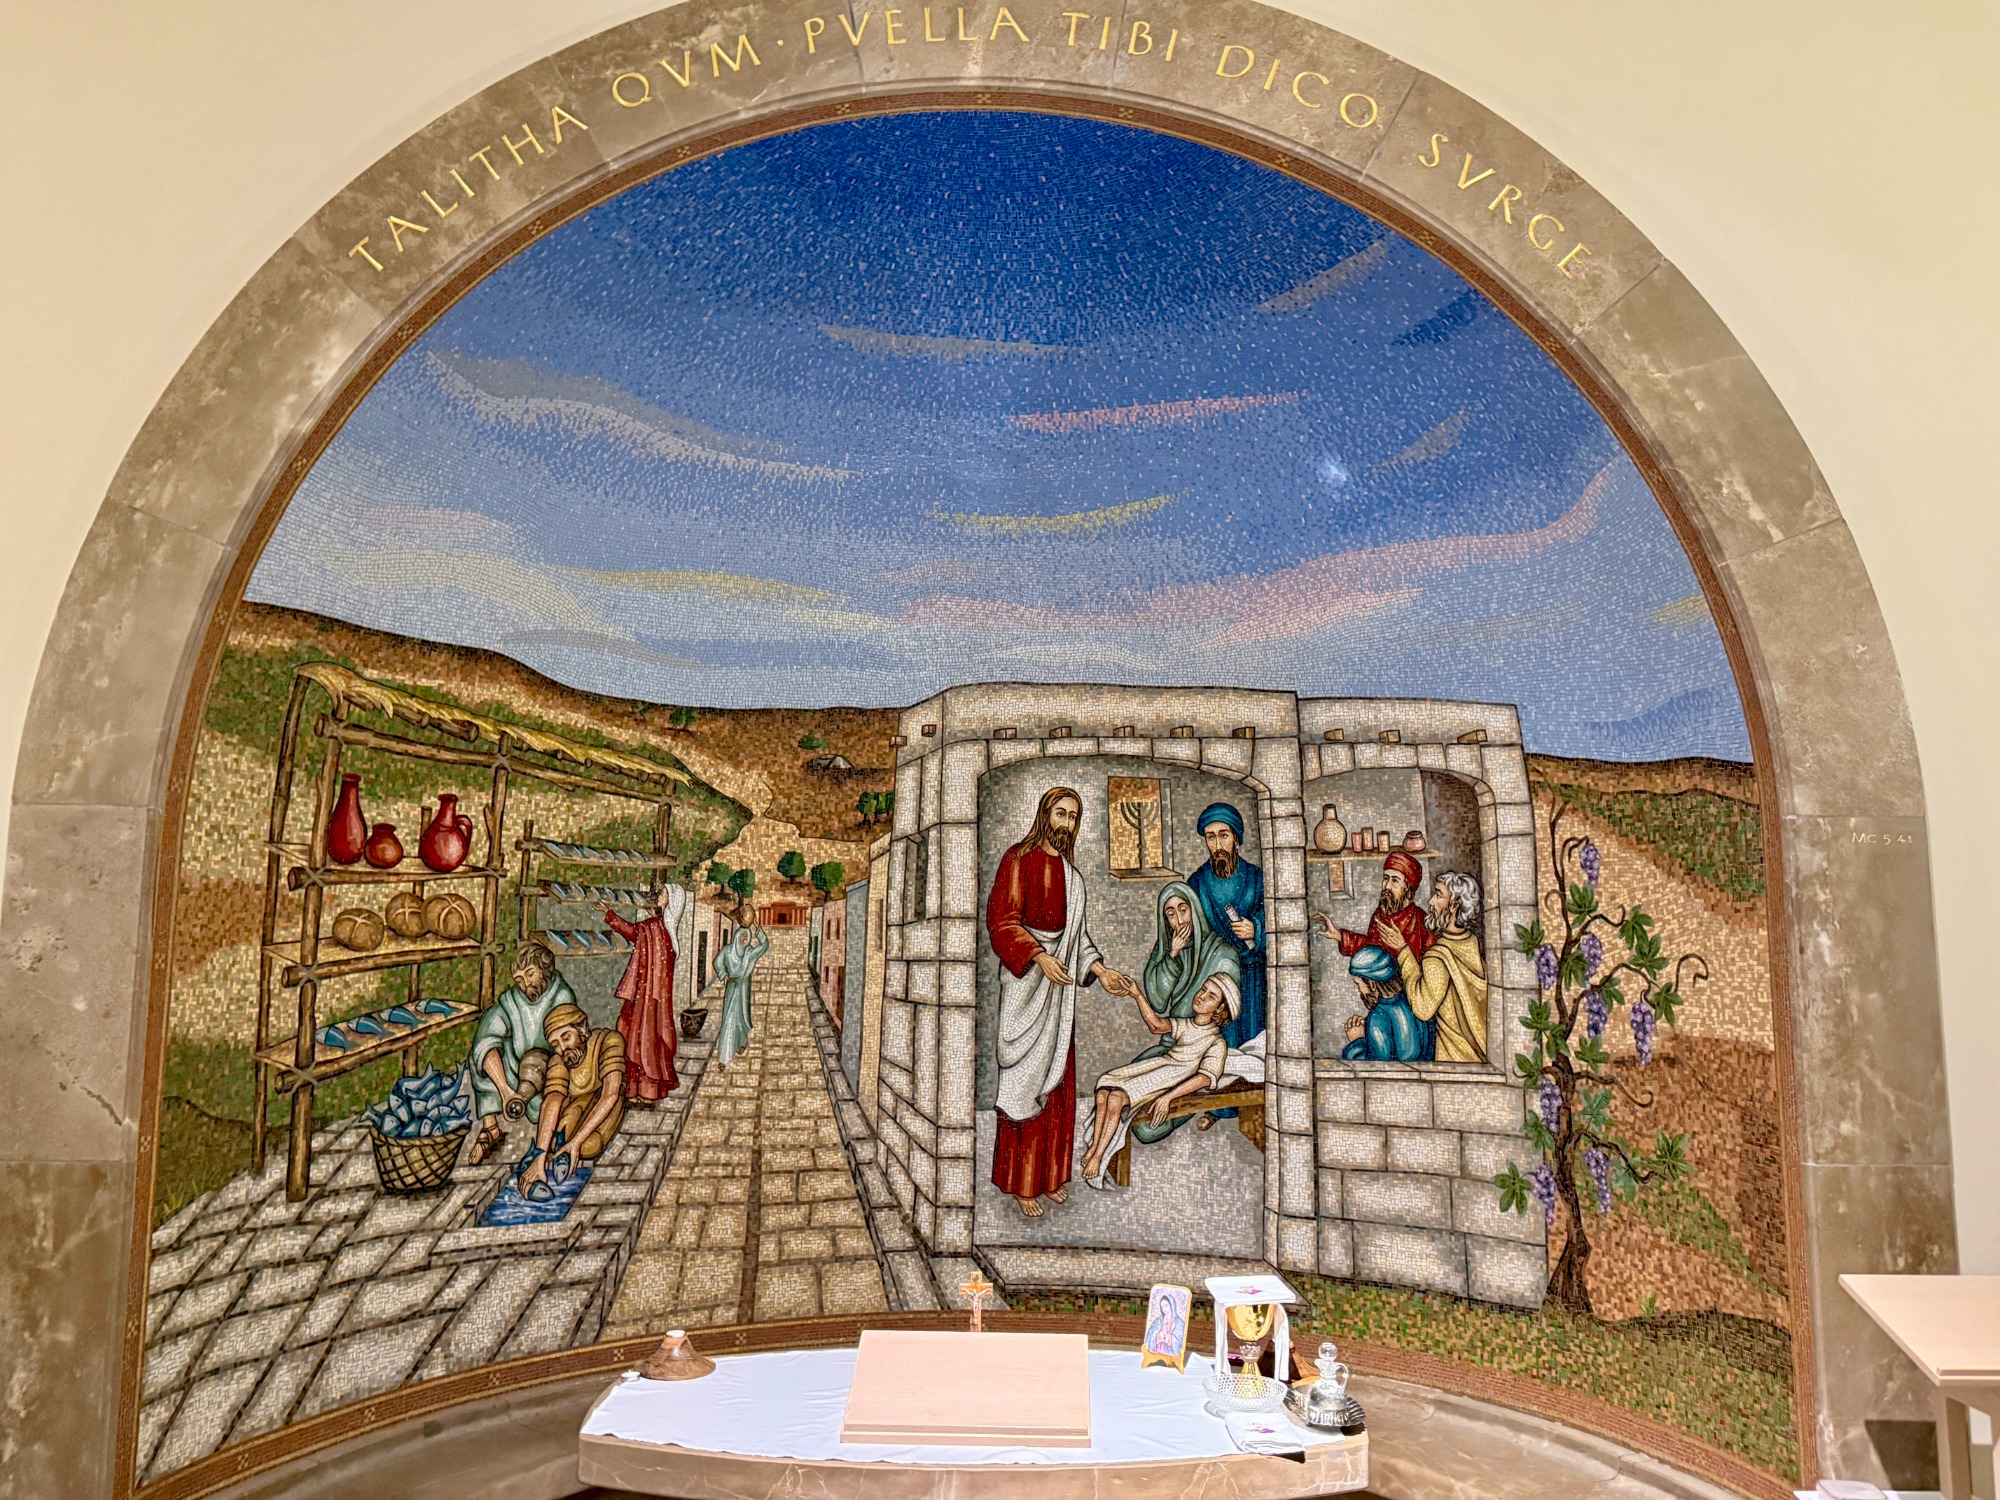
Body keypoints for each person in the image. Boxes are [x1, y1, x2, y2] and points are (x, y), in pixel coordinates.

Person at [985, 786, 1137, 1218]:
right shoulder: (1017, 860)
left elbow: (1078, 940)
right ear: (1044, 814)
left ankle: (1050, 1177)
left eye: (1073, 817)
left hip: (1059, 999)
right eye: (1060, 814)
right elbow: (1002, 922)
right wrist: (1038, 956)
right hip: (1028, 991)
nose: (1066, 824)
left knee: (1057, 1090)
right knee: (1024, 1086)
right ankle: (1021, 1183)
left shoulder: (1073, 878)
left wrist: (1101, 971)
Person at [1079, 882, 1240, 1184]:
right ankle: (1095, 1151)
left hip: (1186, 1066)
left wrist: (1168, 1096)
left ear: (1195, 910)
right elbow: (1158, 1006)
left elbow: (1207, 1062)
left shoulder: (1221, 955)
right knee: (1105, 1093)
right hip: (1169, 1051)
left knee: (1138, 1118)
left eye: (1183, 910)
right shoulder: (1170, 947)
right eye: (1170, 914)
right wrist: (1172, 956)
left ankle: (1099, 1155)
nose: (1178, 921)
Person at [1185, 802, 1264, 1131]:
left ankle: (1256, 1106)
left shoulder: (1256, 878)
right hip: (1218, 976)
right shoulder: (1197, 882)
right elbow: (1193, 931)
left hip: (1253, 976)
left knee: (1254, 1039)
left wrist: (1255, 929)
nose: (1217, 844)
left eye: (1224, 835)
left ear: (1236, 838)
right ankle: (1220, 1107)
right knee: (1222, 1042)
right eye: (1211, 837)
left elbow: (1274, 915)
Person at [467, 942, 575, 1166]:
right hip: (517, 1069)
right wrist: (506, 1092)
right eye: (519, 979)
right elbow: (486, 1037)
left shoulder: (561, 995)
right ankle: (490, 1129)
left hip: (550, 1065)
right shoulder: (512, 1000)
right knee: (483, 1055)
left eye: (530, 974)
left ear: (544, 969)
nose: (525, 984)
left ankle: (554, 1131)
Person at [1378, 870, 1488, 1062]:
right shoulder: (1470, 943)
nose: (1431, 902)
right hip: (1478, 1054)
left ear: (1453, 905)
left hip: (1455, 1058)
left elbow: (1422, 1008)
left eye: (1438, 895)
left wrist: (1403, 950)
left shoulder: (1438, 958)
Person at [517, 1003, 626, 1198]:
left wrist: (576, 1143)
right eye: (555, 1044)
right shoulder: (559, 1060)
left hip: (606, 1102)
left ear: (582, 1029)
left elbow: (610, 1095)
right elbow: (552, 1101)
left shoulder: (608, 1040)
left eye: (566, 1037)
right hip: (576, 1104)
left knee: (588, 1146)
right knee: (557, 1143)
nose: (562, 1048)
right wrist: (539, 1156)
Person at [606, 884, 689, 1103]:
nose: (659, 896)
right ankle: (648, 1093)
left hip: (645, 998)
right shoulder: (669, 933)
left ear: (670, 901)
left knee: (638, 1040)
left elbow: (632, 931)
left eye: (663, 894)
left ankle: (637, 1092)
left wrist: (610, 915)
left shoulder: (653, 927)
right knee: (649, 1043)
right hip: (658, 1002)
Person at [1312, 849, 1434, 965]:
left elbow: (1431, 966)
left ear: (1407, 888)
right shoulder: (1380, 915)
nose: (1387, 886)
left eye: (1395, 881)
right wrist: (1338, 936)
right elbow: (1371, 947)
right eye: (1385, 879)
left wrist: (1402, 949)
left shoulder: (1422, 921)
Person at [1340, 945, 1431, 1062]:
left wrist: (1358, 1040)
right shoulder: (1414, 1000)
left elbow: (1378, 1065)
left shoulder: (1377, 1017)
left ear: (1372, 984)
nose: (1360, 990)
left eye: (1359, 984)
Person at [711, 922, 769, 1069]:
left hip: (744, 987)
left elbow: (764, 946)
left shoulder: (749, 952)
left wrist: (758, 929)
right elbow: (717, 961)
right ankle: (724, 1057)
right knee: (729, 1019)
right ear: (736, 936)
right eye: (742, 935)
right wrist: (723, 974)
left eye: (746, 936)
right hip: (732, 987)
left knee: (742, 1017)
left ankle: (741, 1042)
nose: (744, 939)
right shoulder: (728, 950)